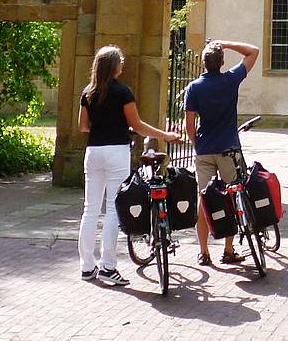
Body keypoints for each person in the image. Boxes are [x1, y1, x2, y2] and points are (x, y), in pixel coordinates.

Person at [79, 44, 182, 286]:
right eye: (121, 62)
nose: (123, 66)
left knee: (90, 209)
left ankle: (86, 267)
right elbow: (137, 125)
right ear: (115, 66)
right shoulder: (122, 91)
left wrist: (102, 125)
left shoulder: (88, 92)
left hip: (93, 152)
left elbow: (83, 126)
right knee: (114, 209)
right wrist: (164, 135)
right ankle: (108, 266)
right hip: (116, 151)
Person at [183, 38, 259, 266]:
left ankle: (204, 251)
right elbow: (253, 51)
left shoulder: (194, 87)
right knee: (233, 197)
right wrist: (224, 43)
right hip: (228, 149)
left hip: (205, 150)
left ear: (204, 63)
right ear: (222, 62)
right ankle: (228, 249)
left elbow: (189, 124)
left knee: (203, 200)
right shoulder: (230, 80)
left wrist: (197, 144)